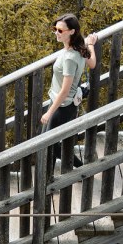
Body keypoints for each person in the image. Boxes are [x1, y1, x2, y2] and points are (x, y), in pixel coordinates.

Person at [40, 13, 97, 169]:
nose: (56, 33)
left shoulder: (70, 57)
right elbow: (92, 64)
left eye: (60, 30)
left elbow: (64, 90)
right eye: (55, 29)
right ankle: (77, 167)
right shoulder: (79, 48)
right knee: (50, 142)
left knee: (48, 144)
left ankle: (78, 168)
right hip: (66, 104)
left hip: (62, 106)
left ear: (71, 31)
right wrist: (90, 44)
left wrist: (49, 112)